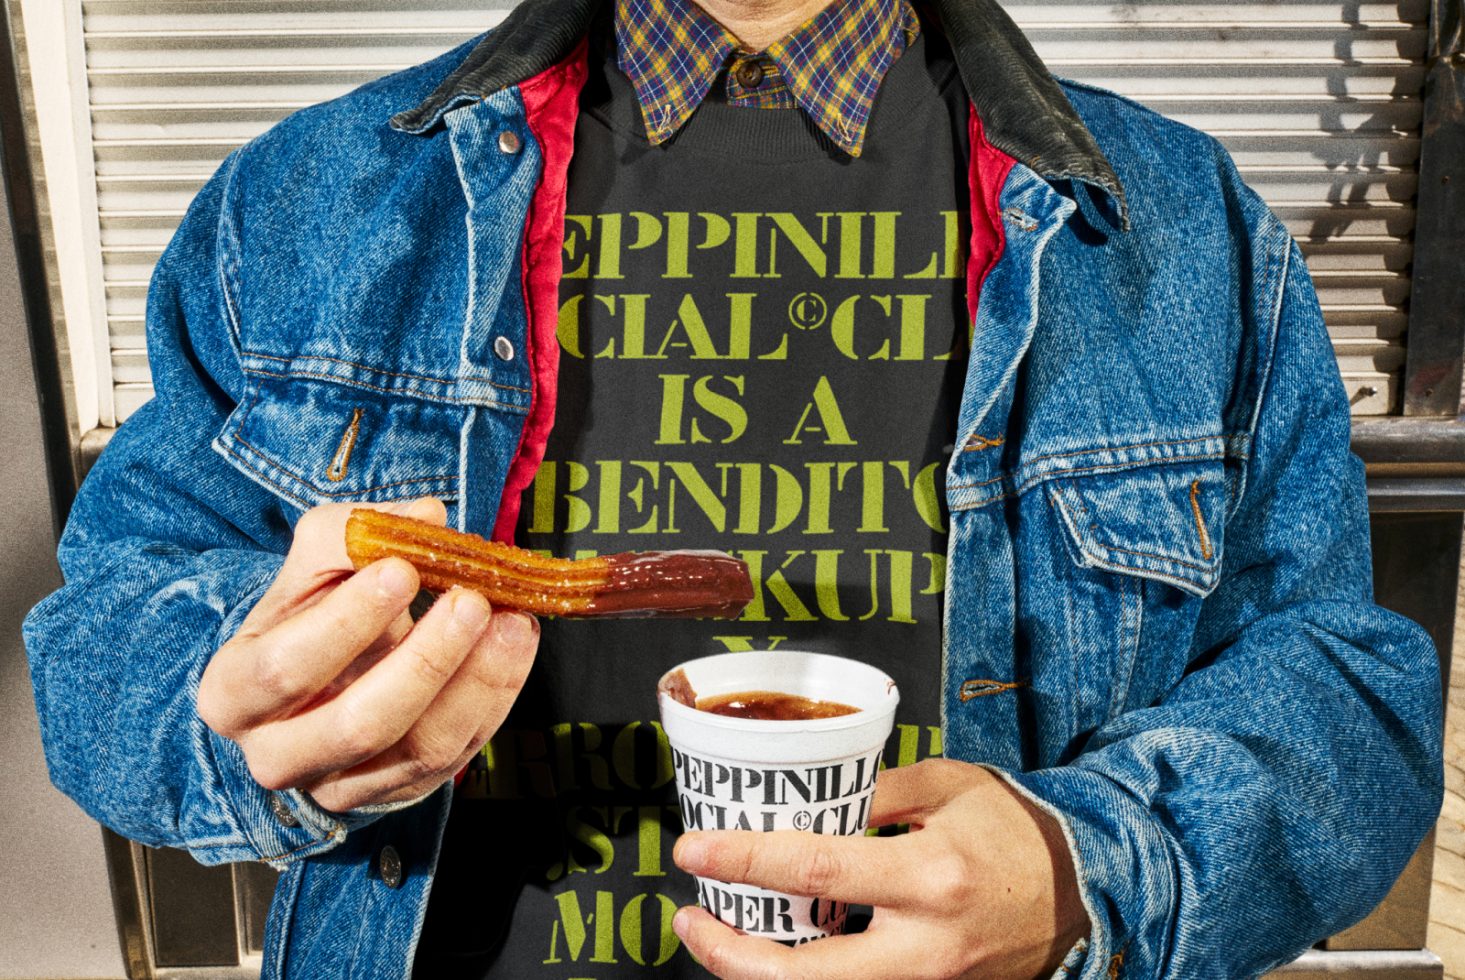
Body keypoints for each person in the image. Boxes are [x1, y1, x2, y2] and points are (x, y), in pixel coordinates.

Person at [22, 0, 1444, 976]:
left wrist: (1087, 873)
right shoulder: (303, 198)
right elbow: (106, 639)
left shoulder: (1179, 224)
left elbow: (1345, 694)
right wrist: (233, 713)